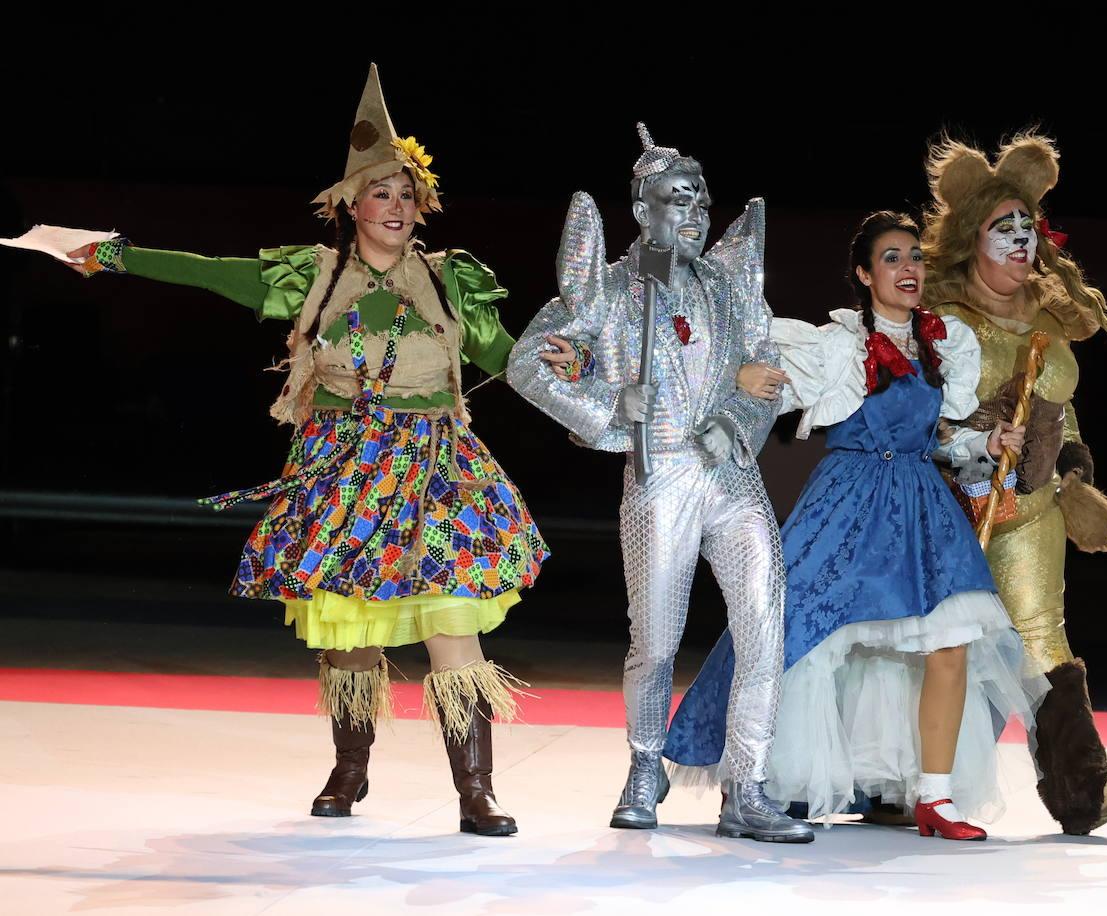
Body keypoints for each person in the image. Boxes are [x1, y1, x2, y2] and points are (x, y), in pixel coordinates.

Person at [36, 65, 548, 837]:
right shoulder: (312, 275)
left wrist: (568, 370)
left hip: (437, 470)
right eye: (382, 193)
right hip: (343, 470)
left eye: (408, 194)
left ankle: (475, 791)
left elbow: (511, 359)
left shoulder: (452, 283)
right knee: (348, 636)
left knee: (454, 625)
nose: (397, 206)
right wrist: (118, 257)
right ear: (351, 205)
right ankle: (349, 771)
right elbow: (210, 275)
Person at [665, 211, 1045, 839]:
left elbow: (940, 440)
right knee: (798, 635)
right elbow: (752, 365)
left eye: (916, 257)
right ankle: (766, 776)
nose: (909, 269)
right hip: (849, 501)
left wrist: (984, 441)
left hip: (921, 504)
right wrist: (731, 377)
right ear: (866, 274)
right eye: (893, 258)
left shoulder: (941, 345)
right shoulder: (838, 345)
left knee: (949, 642)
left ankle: (935, 798)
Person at [507, 125, 813, 843]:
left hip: (733, 477)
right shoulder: (609, 292)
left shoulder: (729, 291)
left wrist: (737, 419)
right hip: (660, 477)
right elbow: (530, 363)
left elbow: (766, 371)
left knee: (765, 625)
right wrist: (608, 408)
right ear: (643, 210)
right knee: (655, 636)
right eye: (678, 201)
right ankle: (646, 764)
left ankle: (747, 784)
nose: (696, 214)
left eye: (702, 201)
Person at [921, 132, 1107, 834]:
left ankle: (1084, 785)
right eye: (1003, 229)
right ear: (970, 239)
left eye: (1029, 229)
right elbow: (916, 417)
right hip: (956, 505)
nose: (1022, 242)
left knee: (1041, 638)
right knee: (934, 644)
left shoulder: (1051, 319)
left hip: (1030, 507)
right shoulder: (943, 321)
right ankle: (893, 779)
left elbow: (1064, 412)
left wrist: (1075, 468)